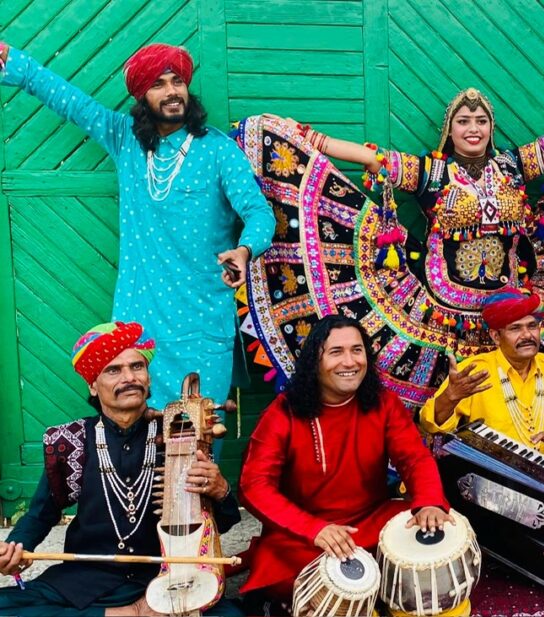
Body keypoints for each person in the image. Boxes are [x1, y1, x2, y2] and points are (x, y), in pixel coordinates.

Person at [234, 81, 544, 431]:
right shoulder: (430, 172)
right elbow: (370, 158)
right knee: (451, 400)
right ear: (451, 130)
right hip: (446, 314)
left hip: (510, 307)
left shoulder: (515, 167)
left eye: (481, 120)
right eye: (463, 121)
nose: (473, 128)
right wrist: (304, 136)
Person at [0, 42, 275, 411]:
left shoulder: (219, 150)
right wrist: (17, 63)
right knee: (134, 429)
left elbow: (259, 213)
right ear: (142, 95)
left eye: (177, 81)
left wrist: (244, 251)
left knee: (199, 432)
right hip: (138, 321)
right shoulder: (125, 139)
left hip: (202, 319)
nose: (171, 92)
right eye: (158, 84)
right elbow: (71, 102)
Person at [0, 322, 241, 616]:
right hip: (86, 581)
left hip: (164, 579)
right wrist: (13, 547)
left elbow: (224, 522)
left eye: (137, 367)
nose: (129, 378)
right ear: (93, 384)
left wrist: (221, 491)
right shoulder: (72, 441)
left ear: (148, 378)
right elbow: (41, 513)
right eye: (114, 370)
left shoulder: (181, 435)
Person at [238, 315, 451, 610]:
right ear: (315, 361)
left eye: (357, 350)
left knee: (431, 526)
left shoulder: (383, 402)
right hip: (303, 537)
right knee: (282, 562)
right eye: (336, 352)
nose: (349, 362)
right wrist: (315, 529)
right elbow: (254, 486)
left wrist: (428, 501)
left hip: (369, 523)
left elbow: (414, 458)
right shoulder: (283, 411)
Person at [420, 289, 544, 462]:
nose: (527, 335)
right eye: (516, 328)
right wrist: (449, 398)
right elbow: (430, 425)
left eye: (532, 326)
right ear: (496, 336)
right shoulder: (475, 371)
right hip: (489, 479)